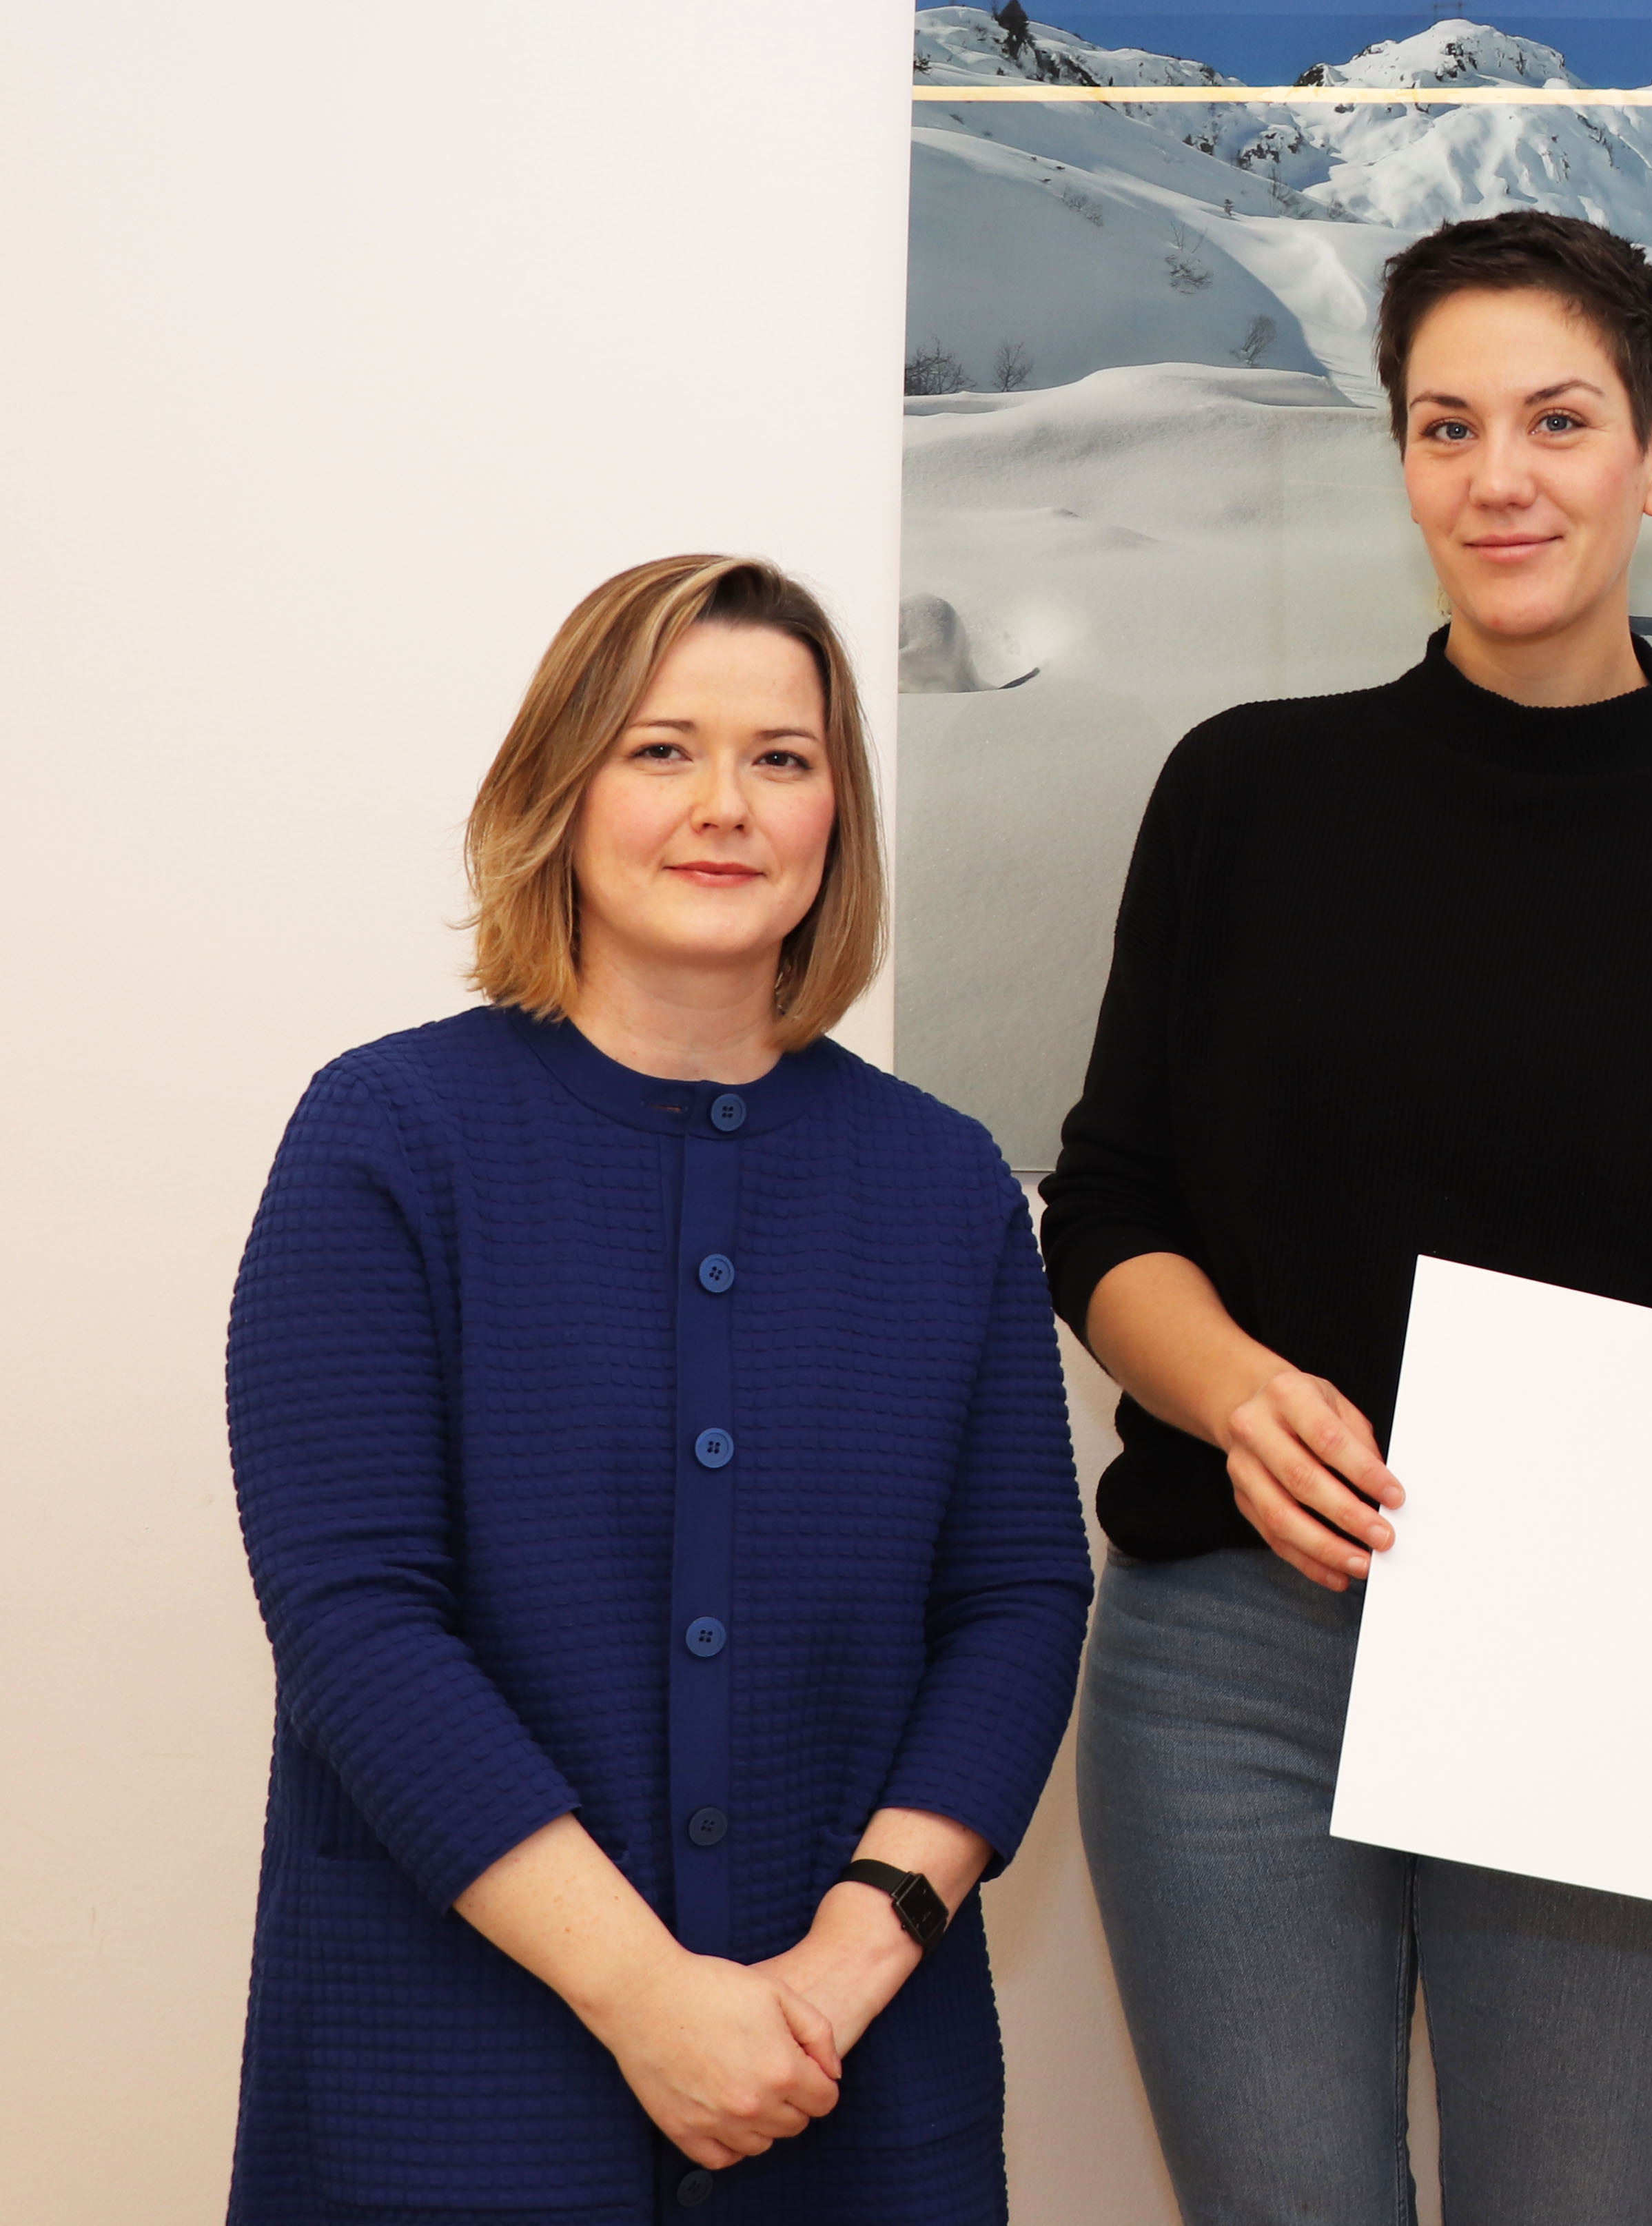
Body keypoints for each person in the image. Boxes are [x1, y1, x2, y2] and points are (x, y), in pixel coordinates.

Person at [1037, 210, 1652, 2225]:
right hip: (1234, 1649)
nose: (1498, 476)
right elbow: (1109, 1203)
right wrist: (1240, 1396)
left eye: (1557, 419)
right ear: (1401, 458)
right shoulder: (1242, 790)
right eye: (1445, 425)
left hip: (1601, 1649)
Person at [223, 556, 1095, 2225]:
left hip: (847, 2076)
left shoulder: (947, 1182)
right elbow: (356, 1618)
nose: (726, 805)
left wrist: (829, 1984)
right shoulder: (389, 1139)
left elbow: (1016, 1604)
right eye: (659, 748)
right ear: (559, 784)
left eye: (781, 756)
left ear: (837, 809)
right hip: (455, 2076)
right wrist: (649, 1996)